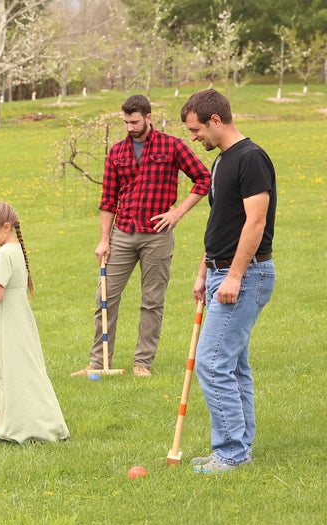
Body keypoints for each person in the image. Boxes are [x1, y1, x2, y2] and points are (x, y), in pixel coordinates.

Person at [72, 94, 211, 377]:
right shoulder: (117, 152)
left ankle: (142, 363)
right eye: (125, 122)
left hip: (157, 235)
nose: (129, 127)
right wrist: (104, 239)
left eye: (134, 122)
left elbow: (203, 179)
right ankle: (98, 363)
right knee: (105, 298)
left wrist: (177, 213)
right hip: (123, 233)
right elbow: (108, 199)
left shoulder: (172, 145)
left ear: (148, 117)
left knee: (152, 301)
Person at [181, 89, 276, 473]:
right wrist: (206, 270)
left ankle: (232, 454)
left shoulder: (251, 159)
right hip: (222, 270)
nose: (193, 137)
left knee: (213, 362)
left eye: (195, 129)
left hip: (247, 273)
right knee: (233, 365)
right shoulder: (222, 161)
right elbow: (221, 222)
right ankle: (239, 447)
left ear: (216, 120)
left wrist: (233, 275)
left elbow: (256, 222)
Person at [0, 201, 69, 446]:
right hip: (12, 322)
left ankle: (4, 428)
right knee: (18, 373)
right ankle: (0, 422)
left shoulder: (2, 254)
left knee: (0, 375)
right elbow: (9, 297)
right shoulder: (16, 250)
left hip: (6, 329)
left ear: (6, 227)